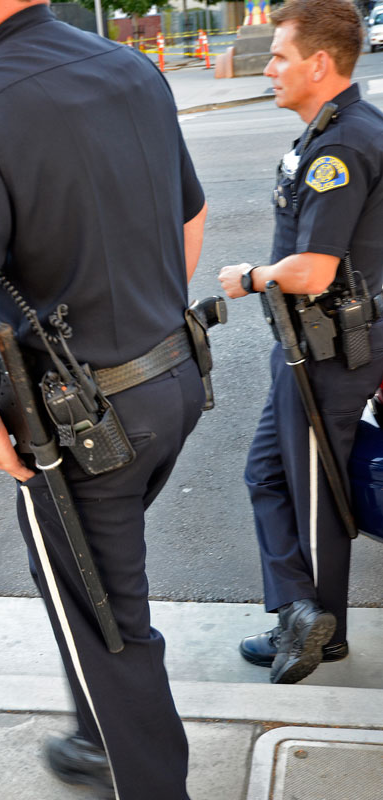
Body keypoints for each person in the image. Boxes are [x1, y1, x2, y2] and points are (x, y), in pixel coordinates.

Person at [0, 0, 207, 797]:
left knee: (110, 627)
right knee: (87, 582)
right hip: (169, 379)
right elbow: (191, 216)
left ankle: (139, 771)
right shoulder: (126, 65)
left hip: (81, 426)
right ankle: (98, 733)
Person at [218, 0, 383, 685]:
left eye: (281, 56)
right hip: (325, 347)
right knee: (268, 473)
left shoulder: (341, 145)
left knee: (311, 493)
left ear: (320, 63)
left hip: (326, 352)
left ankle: (323, 631)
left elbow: (312, 271)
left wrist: (249, 276)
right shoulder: (342, 129)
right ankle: (298, 611)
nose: (271, 68)